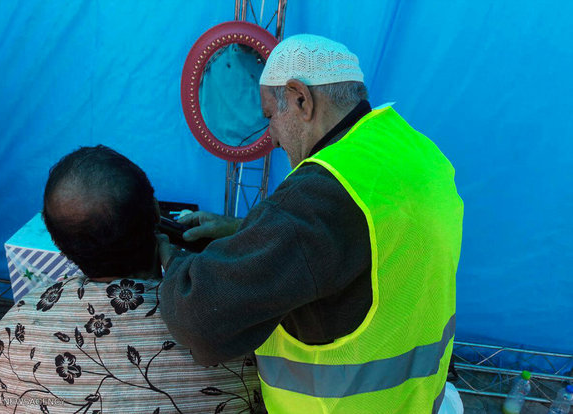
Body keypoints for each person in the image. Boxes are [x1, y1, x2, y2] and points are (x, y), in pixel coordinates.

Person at [157, 35, 464, 413]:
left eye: (270, 116)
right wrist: (245, 230)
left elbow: (199, 319)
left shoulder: (322, 192)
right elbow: (364, 245)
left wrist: (168, 257)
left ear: (301, 99)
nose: (270, 137)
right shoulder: (415, 152)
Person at [0, 145, 263, 414]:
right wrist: (245, 233)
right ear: (156, 213)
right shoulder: (232, 319)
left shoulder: (17, 324)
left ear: (59, 244)